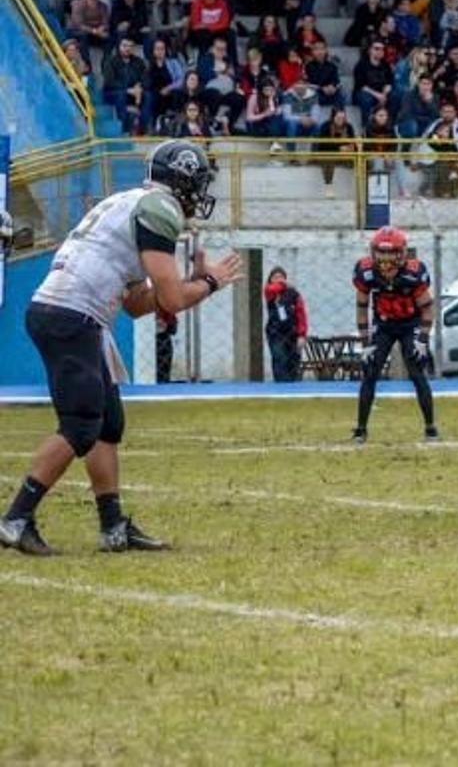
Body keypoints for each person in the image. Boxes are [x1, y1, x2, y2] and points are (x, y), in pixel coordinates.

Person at [1, 141, 239, 556]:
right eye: (197, 183)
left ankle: (113, 527)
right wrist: (210, 282)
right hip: (70, 313)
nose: (199, 194)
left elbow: (137, 305)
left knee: (108, 422)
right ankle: (15, 520)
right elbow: (171, 300)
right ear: (181, 180)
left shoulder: (134, 203)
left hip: (72, 313)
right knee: (81, 424)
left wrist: (191, 283)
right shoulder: (159, 208)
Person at [351, 226, 437, 443]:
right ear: (373, 252)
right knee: (370, 371)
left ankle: (430, 427)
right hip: (384, 325)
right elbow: (361, 307)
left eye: (391, 252)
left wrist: (422, 339)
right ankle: (361, 429)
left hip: (410, 323)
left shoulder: (413, 273)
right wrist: (365, 342)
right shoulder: (366, 272)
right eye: (382, 252)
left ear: (402, 253)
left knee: (417, 373)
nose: (386, 258)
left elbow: (427, 308)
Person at [263, 267, 308, 383]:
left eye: (281, 277)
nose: (279, 280)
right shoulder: (269, 291)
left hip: (292, 333)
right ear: (270, 280)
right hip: (275, 332)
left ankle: (293, 388)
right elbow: (272, 289)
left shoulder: (294, 294)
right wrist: (283, 284)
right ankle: (281, 387)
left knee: (293, 362)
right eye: (275, 278)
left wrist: (302, 335)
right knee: (280, 358)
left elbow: (301, 314)